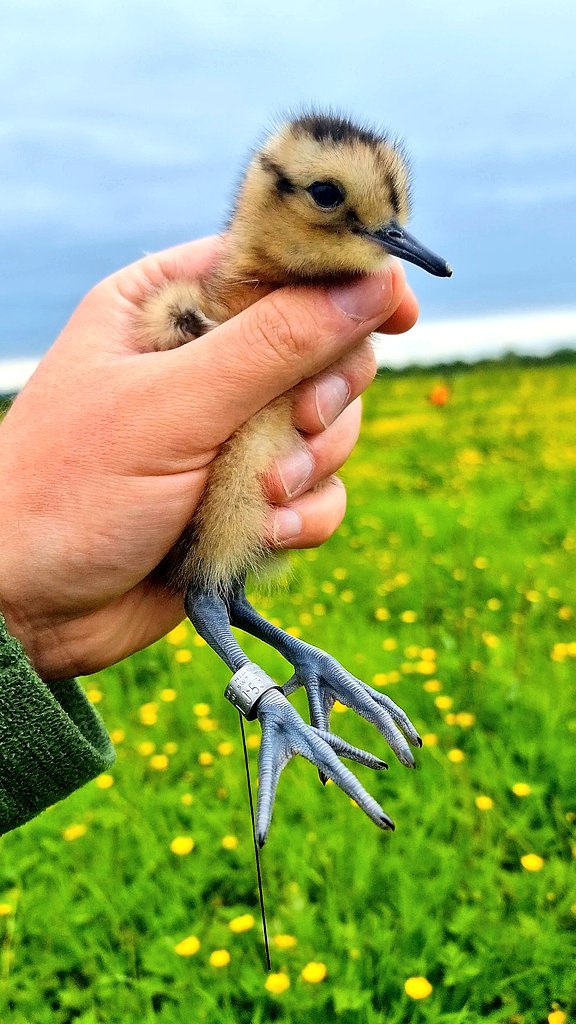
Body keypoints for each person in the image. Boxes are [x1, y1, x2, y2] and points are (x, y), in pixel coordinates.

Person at [0, 235, 418, 833]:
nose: (376, 236)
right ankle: (274, 696)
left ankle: (301, 664)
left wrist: (21, 614)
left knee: (232, 582)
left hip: (208, 536)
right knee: (213, 585)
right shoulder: (190, 312)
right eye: (328, 198)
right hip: (189, 540)